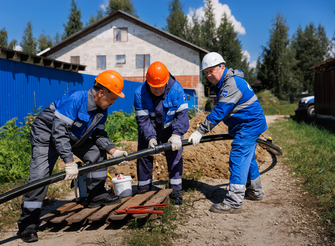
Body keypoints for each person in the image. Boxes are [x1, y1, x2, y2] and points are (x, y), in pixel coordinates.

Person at [18, 70, 129, 243]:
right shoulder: (76, 100)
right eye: (113, 98)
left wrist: (114, 151)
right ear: (101, 93)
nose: (113, 103)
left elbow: (99, 135)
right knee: (39, 178)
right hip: (46, 137)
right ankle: (28, 224)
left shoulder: (101, 110)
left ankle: (96, 195)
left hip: (74, 138)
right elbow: (59, 132)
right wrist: (69, 162)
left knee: (97, 153)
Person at [188, 52, 267, 214]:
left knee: (238, 156)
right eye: (206, 72)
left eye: (212, 70)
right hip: (245, 125)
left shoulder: (231, 84)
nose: (209, 75)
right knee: (248, 157)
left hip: (249, 125)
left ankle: (234, 202)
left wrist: (200, 131)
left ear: (222, 67)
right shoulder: (225, 83)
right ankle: (255, 191)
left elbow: (220, 111)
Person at [134, 61, 189, 204]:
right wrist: (150, 138)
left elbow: (182, 116)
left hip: (171, 129)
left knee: (175, 156)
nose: (157, 91)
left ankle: (175, 190)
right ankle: (144, 189)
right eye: (154, 87)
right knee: (144, 156)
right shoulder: (139, 93)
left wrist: (177, 134)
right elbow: (143, 120)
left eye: (160, 87)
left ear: (166, 82)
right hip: (149, 129)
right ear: (148, 82)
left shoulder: (177, 90)